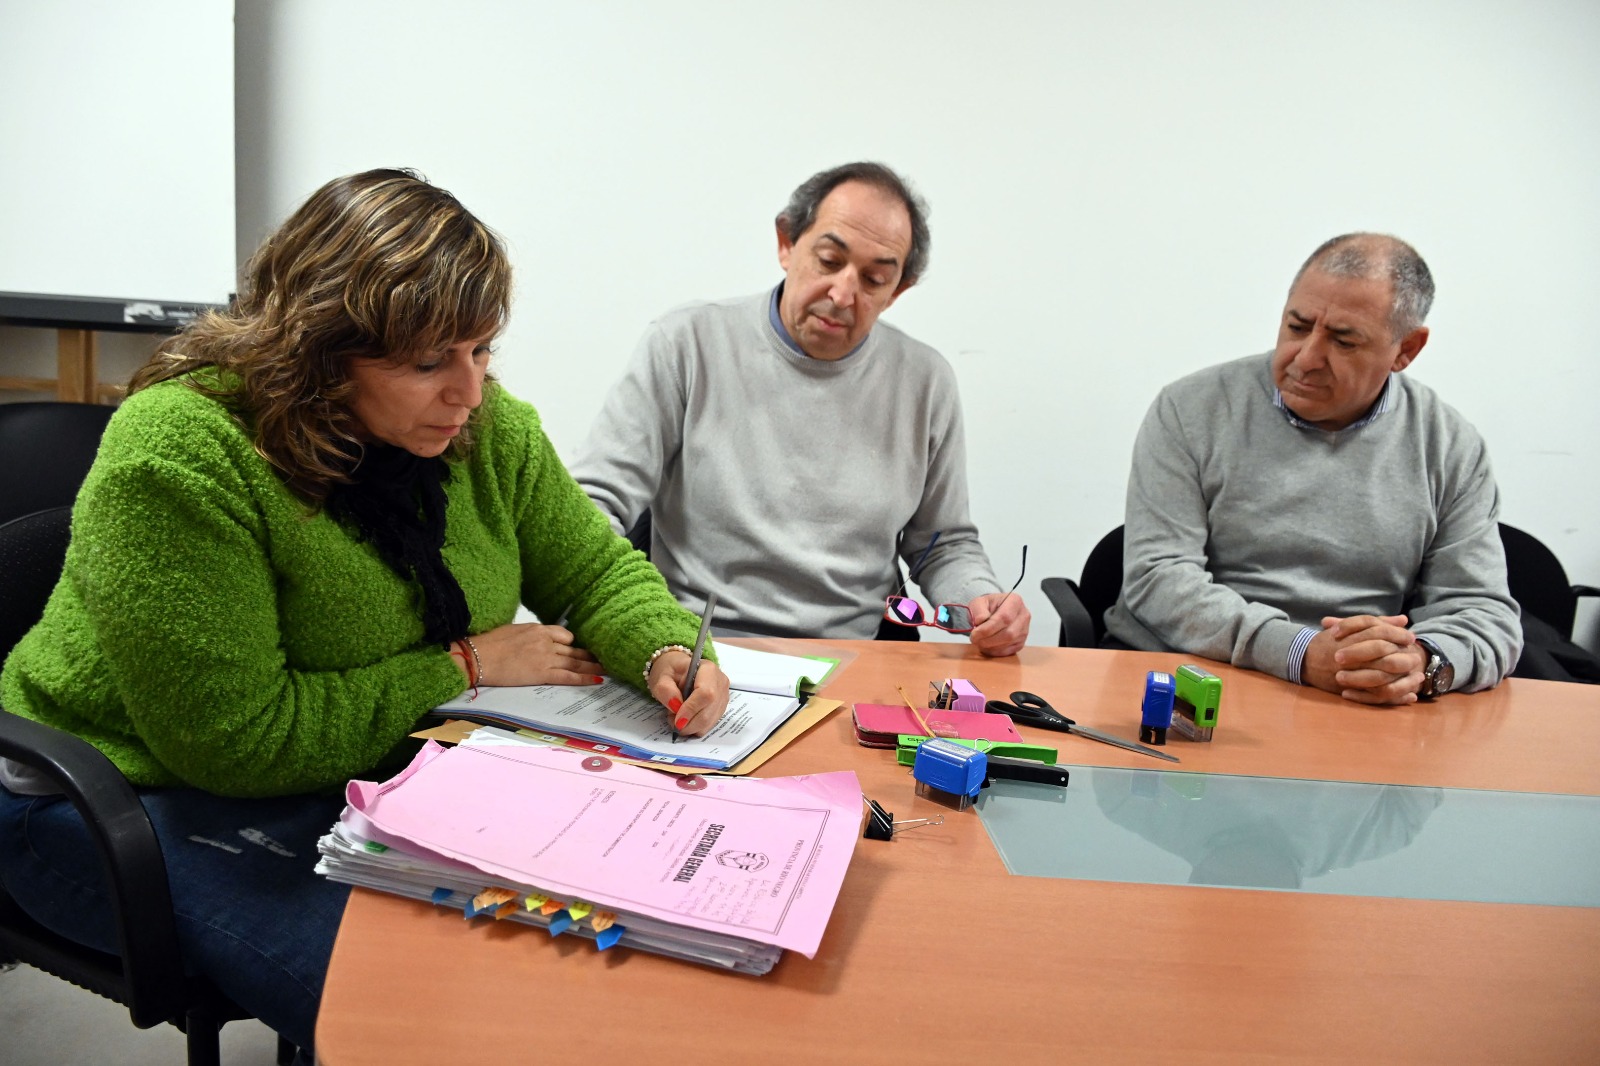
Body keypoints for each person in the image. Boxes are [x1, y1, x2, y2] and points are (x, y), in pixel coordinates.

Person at [0, 169, 729, 1055]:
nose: (469, 391)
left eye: (482, 349)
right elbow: (239, 742)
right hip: (123, 797)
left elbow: (594, 568)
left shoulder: (481, 426)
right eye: (429, 363)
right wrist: (467, 666)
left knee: (561, 955)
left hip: (360, 771)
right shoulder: (182, 456)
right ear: (316, 351)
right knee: (417, 1020)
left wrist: (659, 647)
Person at [570, 161, 1030, 655]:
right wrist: (639, 629)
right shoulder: (687, 344)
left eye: (874, 279)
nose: (842, 294)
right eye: (829, 261)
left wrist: (981, 600)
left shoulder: (925, 381)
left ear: (898, 291)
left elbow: (942, 544)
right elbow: (594, 504)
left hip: (856, 658)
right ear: (787, 243)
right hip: (697, 648)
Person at [1103, 233, 1521, 704]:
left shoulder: (1449, 446)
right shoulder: (1191, 409)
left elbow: (1483, 611)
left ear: (1406, 349)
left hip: (1355, 698)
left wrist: (1421, 663)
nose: (1305, 359)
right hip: (1190, 678)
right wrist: (1300, 653)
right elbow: (1158, 579)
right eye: (1297, 327)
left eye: (1343, 341)